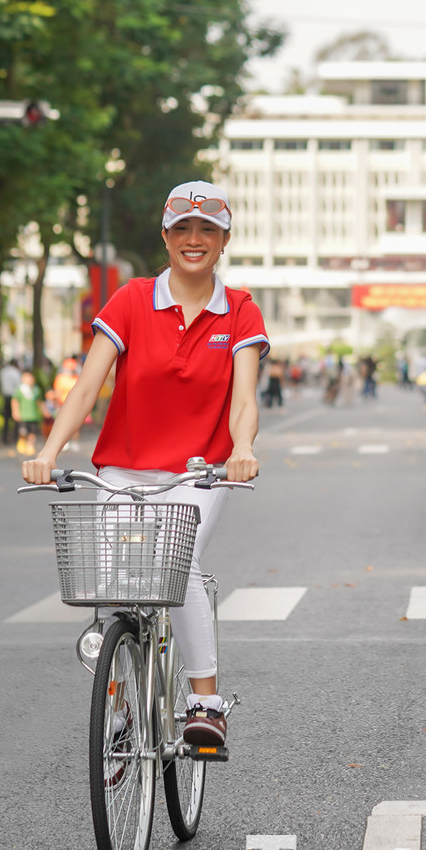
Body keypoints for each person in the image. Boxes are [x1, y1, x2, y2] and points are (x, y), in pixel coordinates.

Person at [21, 179, 267, 747]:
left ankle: (205, 703)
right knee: (113, 581)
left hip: (199, 474)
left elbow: (244, 399)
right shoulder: (131, 300)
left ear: (225, 239)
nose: (194, 239)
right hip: (123, 472)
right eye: (182, 228)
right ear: (165, 236)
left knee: (177, 568)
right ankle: (122, 701)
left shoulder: (240, 311)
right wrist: (47, 452)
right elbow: (86, 388)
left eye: (208, 229)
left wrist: (244, 450)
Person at [12, 370, 44, 456]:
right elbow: (15, 401)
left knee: (32, 432)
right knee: (23, 431)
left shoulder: (36, 390)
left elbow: (39, 401)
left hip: (33, 415)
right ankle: (22, 442)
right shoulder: (20, 389)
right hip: (23, 415)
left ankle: (30, 445)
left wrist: (44, 410)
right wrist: (15, 411)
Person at [0, 359, 22, 445]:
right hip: (14, 396)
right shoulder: (16, 372)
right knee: (16, 417)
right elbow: (19, 385)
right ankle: (15, 438)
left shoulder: (3, 371)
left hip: (6, 395)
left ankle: (5, 438)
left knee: (6, 418)